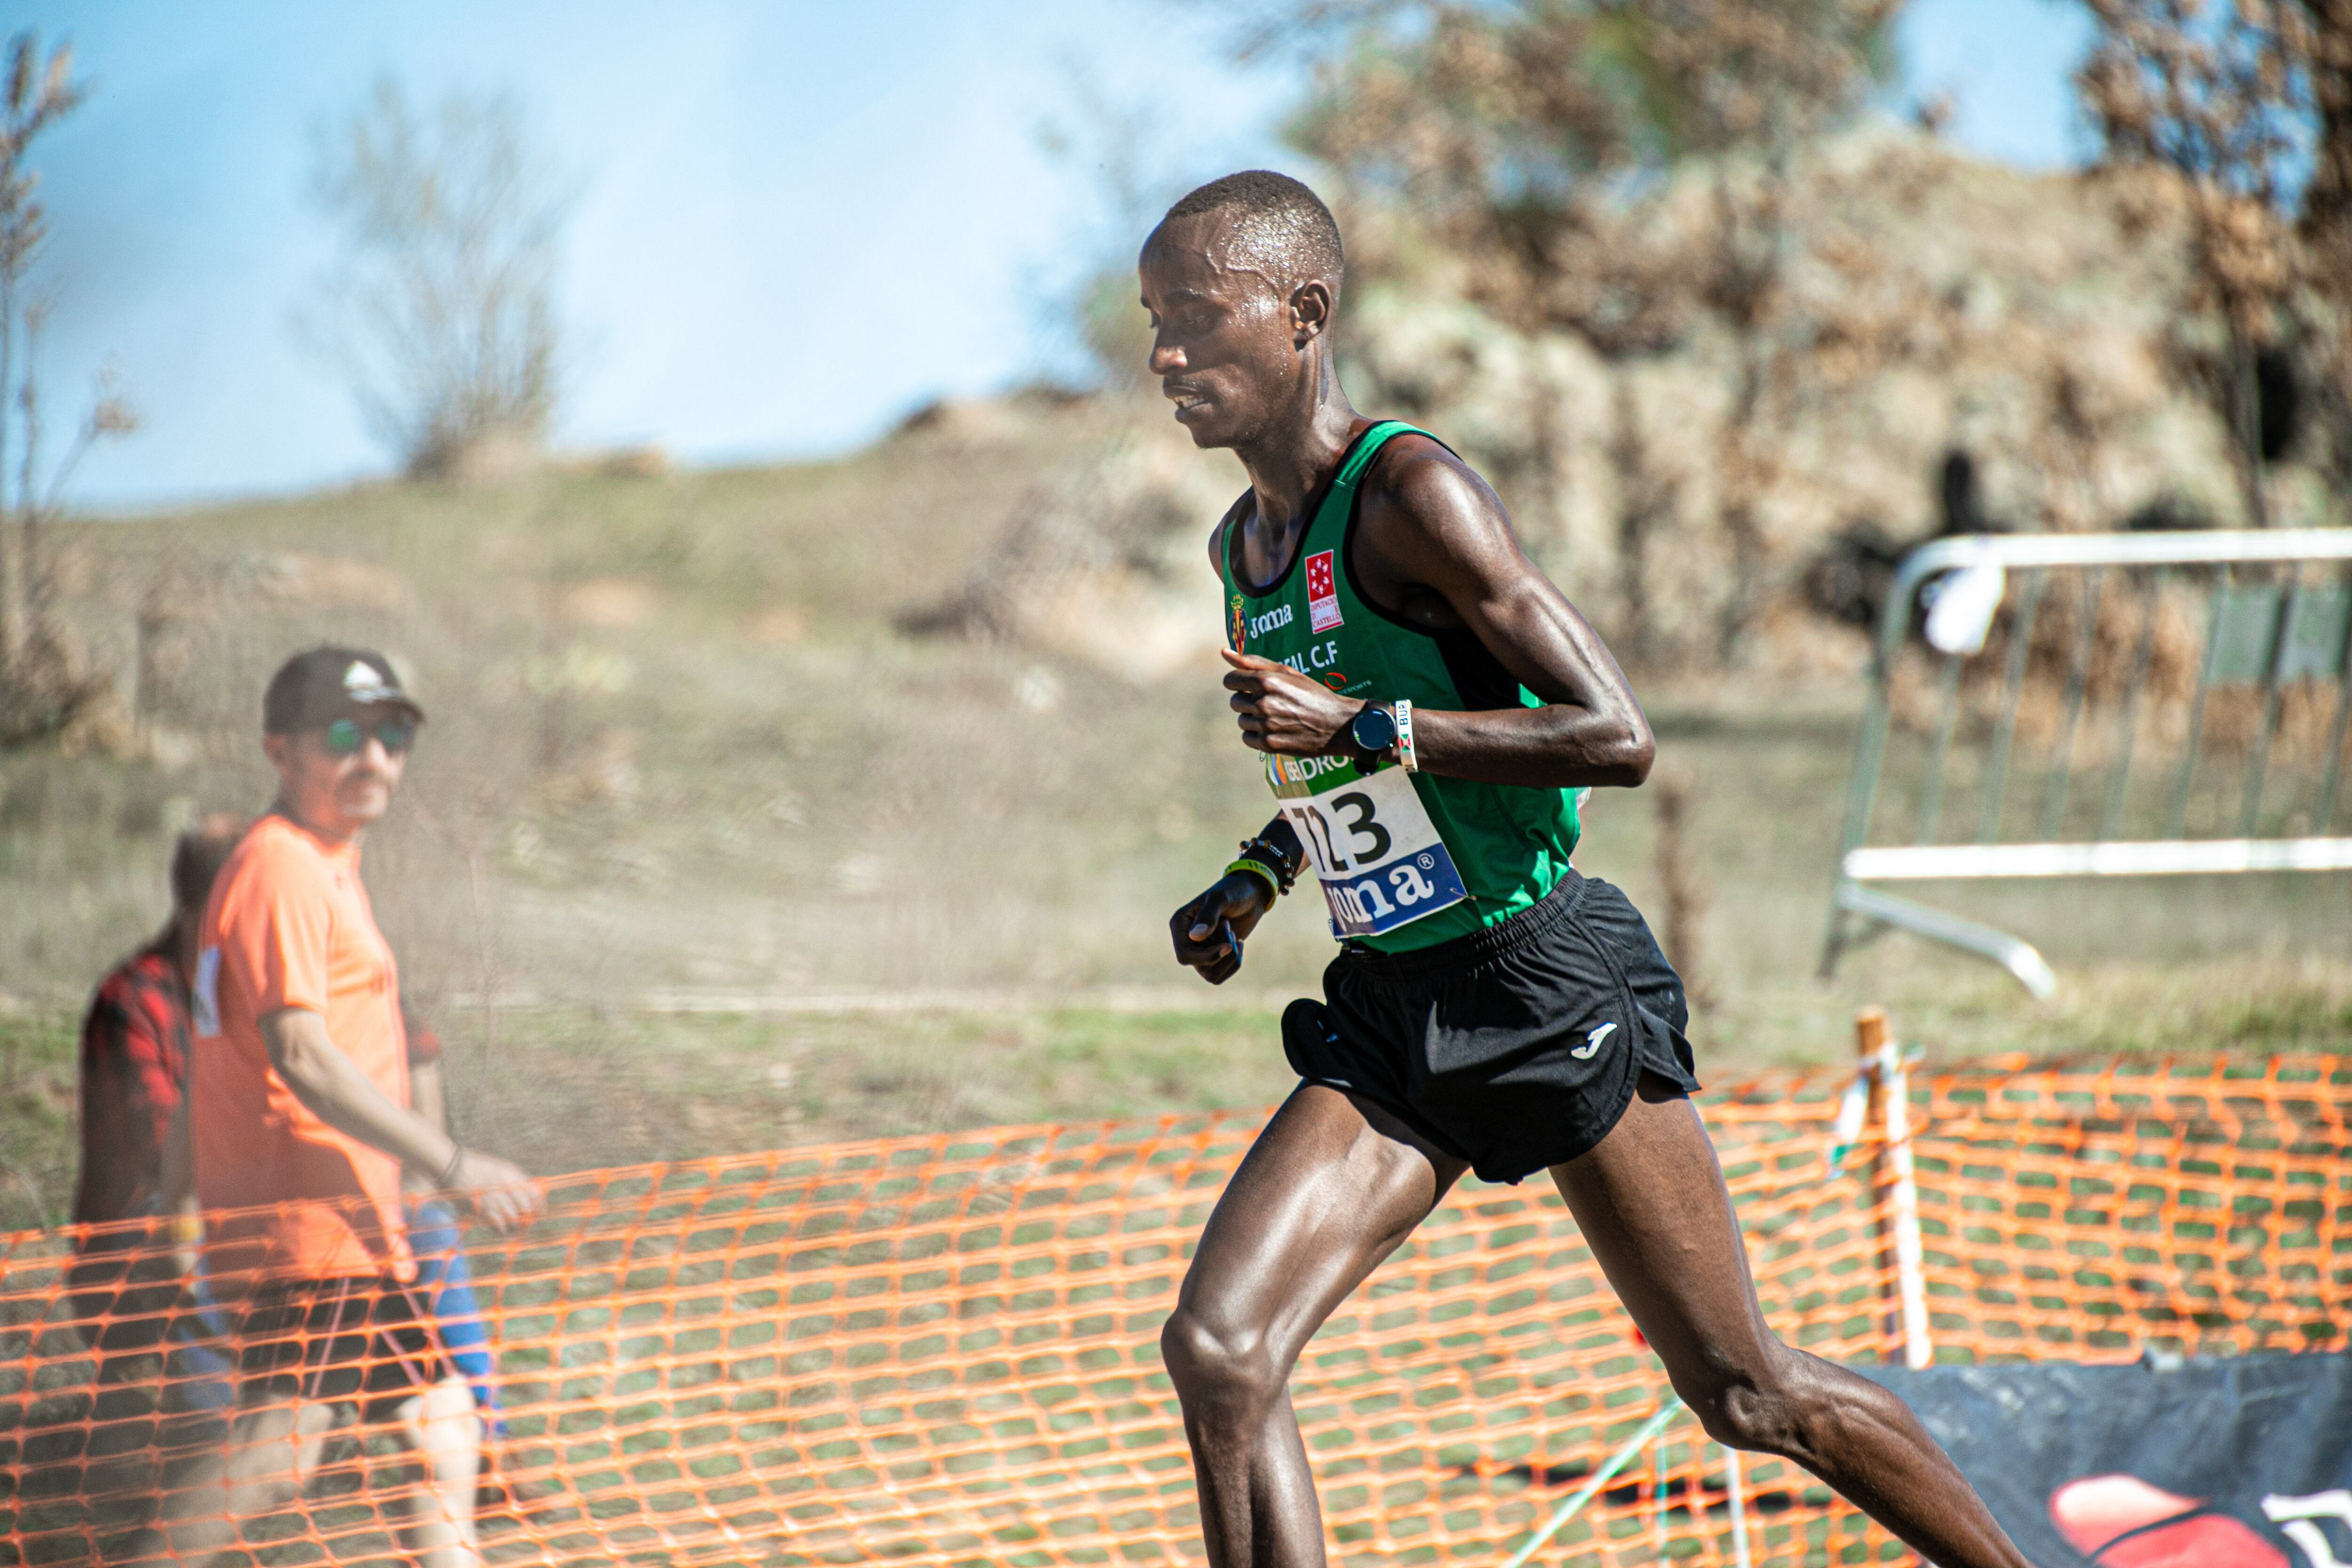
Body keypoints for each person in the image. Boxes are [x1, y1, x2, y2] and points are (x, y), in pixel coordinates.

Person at [1147, 172, 2040, 1568]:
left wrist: (1368, 724)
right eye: (1154, 321)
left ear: (1304, 313)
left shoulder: (1410, 493)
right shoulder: (1241, 547)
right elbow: (1330, 771)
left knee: (1745, 1390)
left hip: (1541, 979)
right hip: (1392, 1007)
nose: (1165, 355)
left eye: (1198, 318)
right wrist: (1257, 876)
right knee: (1221, 1348)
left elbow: (1614, 733)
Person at [126, 646, 542, 1568]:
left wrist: (178, 1201)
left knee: (439, 1425)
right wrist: (453, 1163)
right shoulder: (282, 868)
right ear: (280, 749)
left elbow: (212, 1061)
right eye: (345, 735)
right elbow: (302, 1055)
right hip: (308, 1230)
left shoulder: (314, 864)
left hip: (341, 1227)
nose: (375, 758)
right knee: (276, 1447)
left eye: (393, 736)